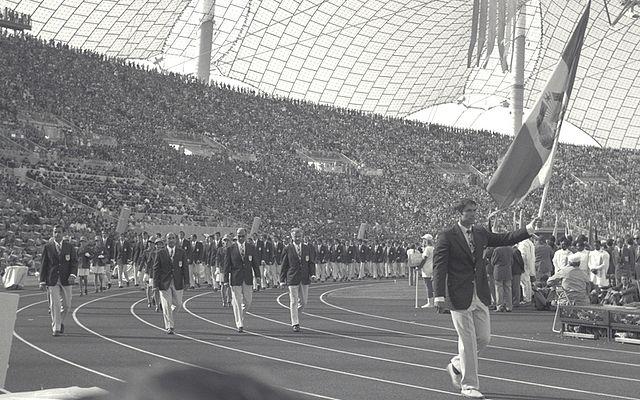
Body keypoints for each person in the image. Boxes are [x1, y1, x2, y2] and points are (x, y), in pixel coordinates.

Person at [433, 198, 537, 399]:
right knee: (468, 341)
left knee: (484, 338)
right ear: (459, 214)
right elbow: (440, 267)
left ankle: (456, 365)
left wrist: (528, 229)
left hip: (480, 293)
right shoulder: (447, 236)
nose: (473, 214)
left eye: (474, 210)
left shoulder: (480, 233)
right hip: (458, 294)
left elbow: (505, 238)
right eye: (468, 211)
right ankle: (469, 385)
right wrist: (438, 295)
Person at [39, 225, 78, 336]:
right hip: (52, 279)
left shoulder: (69, 247)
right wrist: (42, 280)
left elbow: (74, 263)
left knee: (67, 305)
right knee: (55, 304)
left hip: (66, 280)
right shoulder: (48, 247)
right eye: (55, 232)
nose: (57, 234)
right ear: (53, 233)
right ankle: (56, 328)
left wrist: (73, 275)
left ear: (63, 233)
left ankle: (59, 322)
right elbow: (44, 264)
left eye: (59, 232)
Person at [223, 228, 260, 333]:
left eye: (243, 236)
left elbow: (255, 264)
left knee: (248, 301)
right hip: (235, 278)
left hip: (248, 278)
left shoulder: (251, 248)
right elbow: (226, 266)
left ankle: (240, 313)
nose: (240, 238)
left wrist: (258, 277)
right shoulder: (230, 249)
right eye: (239, 236)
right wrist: (225, 280)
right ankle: (239, 323)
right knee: (237, 301)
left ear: (246, 236)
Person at [280, 228, 316, 332]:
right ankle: (295, 322)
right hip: (292, 277)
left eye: (299, 236)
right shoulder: (287, 249)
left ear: (302, 236)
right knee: (294, 301)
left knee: (304, 302)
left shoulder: (307, 248)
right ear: (292, 237)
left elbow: (311, 263)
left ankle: (295, 313)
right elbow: (284, 265)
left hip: (304, 277)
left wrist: (312, 274)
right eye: (295, 236)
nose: (297, 238)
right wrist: (282, 280)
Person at [152, 232, 189, 334]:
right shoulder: (160, 253)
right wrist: (155, 285)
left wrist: (187, 282)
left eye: (173, 238)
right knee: (167, 304)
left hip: (177, 282)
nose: (171, 240)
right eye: (169, 238)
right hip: (164, 283)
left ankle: (168, 315)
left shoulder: (181, 252)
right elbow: (156, 269)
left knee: (178, 304)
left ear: (176, 240)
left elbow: (185, 267)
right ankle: (169, 326)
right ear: (166, 240)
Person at [419, 234, 434, 308]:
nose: (423, 241)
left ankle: (430, 302)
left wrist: (419, 267)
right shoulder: (433, 248)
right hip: (432, 267)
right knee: (431, 285)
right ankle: (433, 301)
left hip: (427, 268)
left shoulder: (428, 248)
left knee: (428, 286)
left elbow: (424, 259)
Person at [217, 235, 232, 307]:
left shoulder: (232, 249)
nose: (226, 242)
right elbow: (218, 259)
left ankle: (229, 300)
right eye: (225, 240)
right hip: (222, 270)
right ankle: (224, 300)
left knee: (229, 285)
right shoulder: (220, 249)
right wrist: (218, 268)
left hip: (230, 270)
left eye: (227, 240)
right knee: (223, 285)